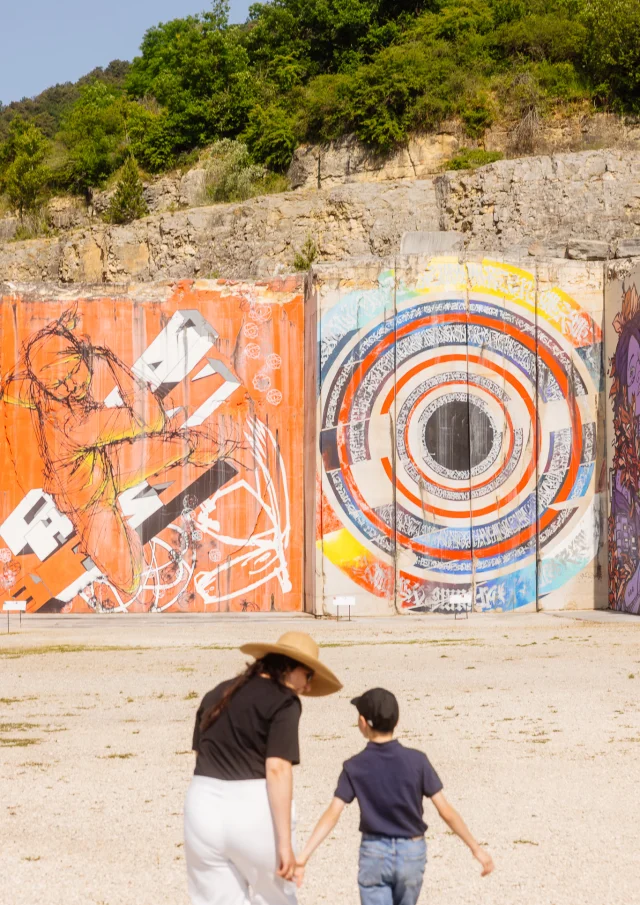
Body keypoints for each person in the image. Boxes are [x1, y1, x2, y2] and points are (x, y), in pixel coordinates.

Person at [295, 687, 494, 905]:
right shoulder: (417, 761)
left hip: (375, 852)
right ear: (397, 722)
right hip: (411, 852)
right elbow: (445, 811)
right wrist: (476, 848)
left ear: (362, 722)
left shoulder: (354, 766)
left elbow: (333, 813)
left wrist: (303, 857)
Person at [184, 631, 342, 905]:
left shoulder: (218, 692)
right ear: (289, 666)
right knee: (275, 899)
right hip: (252, 809)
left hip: (202, 806)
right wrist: (285, 843)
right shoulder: (284, 700)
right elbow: (278, 768)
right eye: (308, 676)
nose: (307, 687)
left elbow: (200, 753)